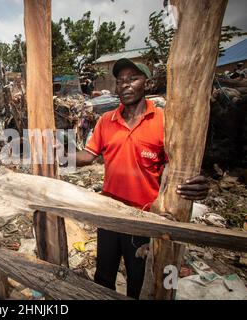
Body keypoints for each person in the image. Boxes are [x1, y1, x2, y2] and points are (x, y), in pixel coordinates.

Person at [73, 58, 209, 299]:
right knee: (103, 277)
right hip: (109, 213)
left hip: (143, 217)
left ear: (147, 83)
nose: (125, 85)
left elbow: (180, 167)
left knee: (139, 280)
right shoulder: (106, 121)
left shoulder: (165, 121)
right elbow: (88, 155)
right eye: (120, 81)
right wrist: (58, 156)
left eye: (133, 79)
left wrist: (197, 182)